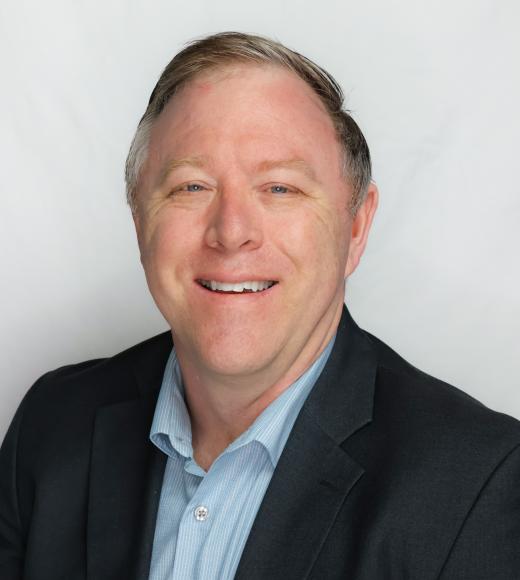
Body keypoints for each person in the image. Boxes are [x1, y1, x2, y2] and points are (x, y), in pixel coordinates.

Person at [1, 31, 519, 580]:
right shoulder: (52, 425)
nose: (232, 232)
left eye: (280, 189)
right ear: (139, 221)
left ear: (357, 226)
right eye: (191, 186)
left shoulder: (479, 484)